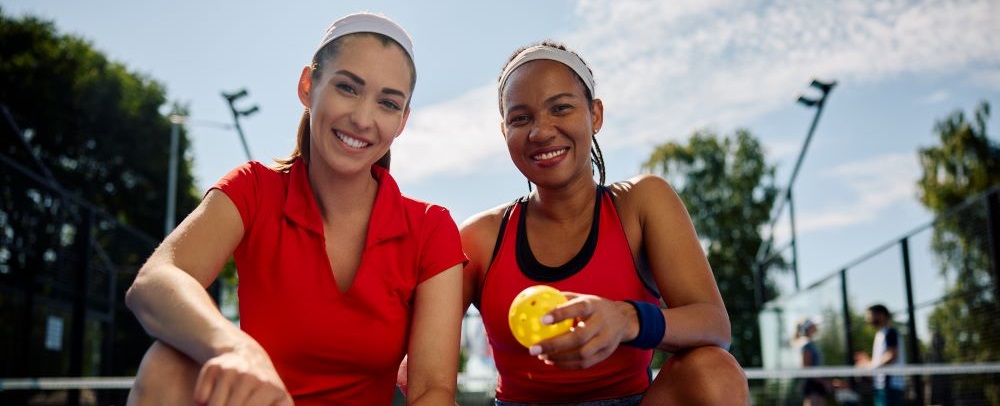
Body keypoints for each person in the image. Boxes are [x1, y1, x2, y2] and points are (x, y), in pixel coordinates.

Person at [124, 12, 466, 406]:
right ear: (308, 86)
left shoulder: (430, 227)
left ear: (402, 121)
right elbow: (155, 280)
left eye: (387, 103)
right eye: (347, 88)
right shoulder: (254, 188)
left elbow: (432, 392)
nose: (362, 119)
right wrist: (233, 347)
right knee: (168, 361)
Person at [460, 40, 749, 405]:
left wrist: (628, 319)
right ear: (505, 131)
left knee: (714, 370)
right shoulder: (480, 237)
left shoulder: (641, 203)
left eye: (560, 108)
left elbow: (714, 325)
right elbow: (419, 349)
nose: (541, 131)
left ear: (595, 115)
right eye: (521, 118)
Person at [855, 304, 906, 406]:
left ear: (881, 315)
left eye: (870, 315)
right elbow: (882, 360)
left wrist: (870, 366)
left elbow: (891, 355)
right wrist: (868, 362)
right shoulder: (880, 334)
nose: (868, 319)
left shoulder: (890, 333)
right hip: (881, 386)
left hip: (891, 385)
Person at [795, 317, 830, 405]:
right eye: (813, 325)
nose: (816, 327)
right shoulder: (806, 345)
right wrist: (822, 381)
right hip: (811, 384)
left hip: (816, 383)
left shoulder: (811, 344)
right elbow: (806, 368)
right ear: (808, 328)